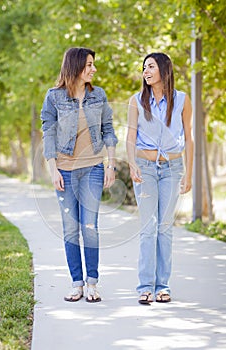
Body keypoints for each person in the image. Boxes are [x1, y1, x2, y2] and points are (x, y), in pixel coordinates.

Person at [41, 47, 118, 303]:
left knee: (90, 228)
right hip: (64, 171)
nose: (93, 69)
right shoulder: (54, 97)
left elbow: (108, 130)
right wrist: (53, 170)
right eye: (89, 64)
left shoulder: (99, 96)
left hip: (93, 169)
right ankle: (77, 284)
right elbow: (48, 133)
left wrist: (111, 165)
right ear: (75, 66)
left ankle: (92, 283)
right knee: (70, 230)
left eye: (93, 64)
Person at [126, 52, 194, 305]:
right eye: (144, 67)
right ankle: (145, 286)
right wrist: (132, 163)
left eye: (151, 66)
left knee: (165, 228)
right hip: (144, 168)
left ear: (164, 69)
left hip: (172, 168)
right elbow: (130, 137)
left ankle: (162, 286)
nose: (146, 71)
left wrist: (189, 172)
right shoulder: (136, 101)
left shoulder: (183, 100)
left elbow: (189, 138)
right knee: (148, 227)